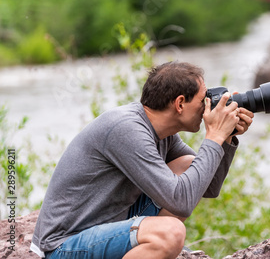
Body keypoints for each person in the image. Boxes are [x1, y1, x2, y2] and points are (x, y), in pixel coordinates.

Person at [30, 61, 254, 259]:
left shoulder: (161, 133)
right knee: (171, 234)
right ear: (179, 103)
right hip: (64, 245)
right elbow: (181, 202)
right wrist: (213, 136)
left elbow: (208, 186)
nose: (209, 106)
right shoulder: (126, 129)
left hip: (106, 227)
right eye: (203, 99)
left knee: (187, 164)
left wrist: (226, 139)